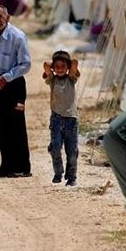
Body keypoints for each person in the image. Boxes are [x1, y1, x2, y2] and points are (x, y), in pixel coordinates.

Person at [0, 5, 32, 178]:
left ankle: (23, 167)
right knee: (3, 126)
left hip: (15, 85)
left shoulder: (17, 36)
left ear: (7, 17)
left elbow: (25, 64)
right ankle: (7, 166)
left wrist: (7, 77)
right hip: (0, 84)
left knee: (16, 125)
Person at [42, 51, 80, 186]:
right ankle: (58, 173)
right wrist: (52, 66)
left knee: (72, 150)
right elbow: (45, 65)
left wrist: (69, 66)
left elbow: (75, 62)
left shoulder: (71, 79)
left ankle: (71, 177)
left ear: (67, 67)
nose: (59, 69)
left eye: (62, 66)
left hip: (71, 120)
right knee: (55, 147)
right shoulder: (52, 79)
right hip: (56, 119)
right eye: (56, 67)